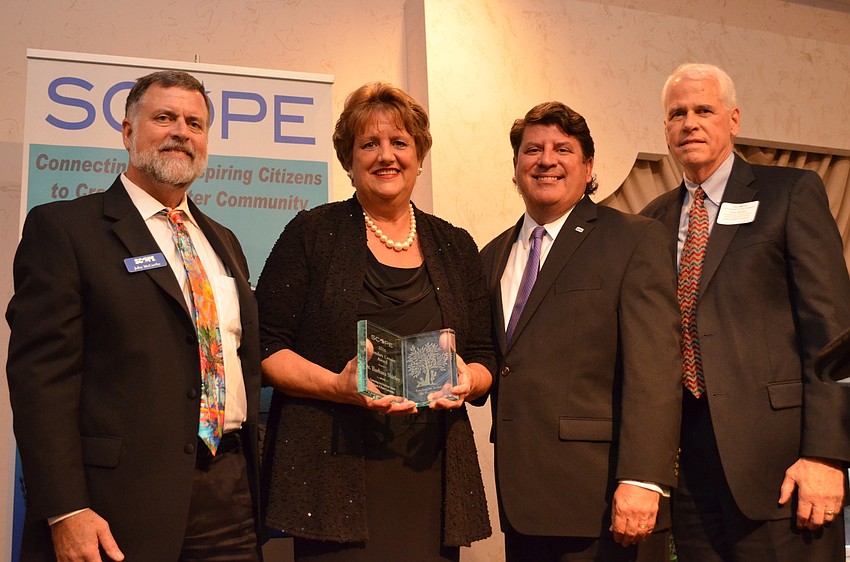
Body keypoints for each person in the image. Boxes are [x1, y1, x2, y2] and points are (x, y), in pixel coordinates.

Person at [6, 70, 263, 561]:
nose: (181, 132)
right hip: (119, 503)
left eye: (195, 123)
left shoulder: (223, 241)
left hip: (230, 495)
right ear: (127, 132)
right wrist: (65, 509)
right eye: (164, 117)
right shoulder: (65, 230)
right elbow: (41, 382)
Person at [255, 82, 494, 561]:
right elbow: (264, 348)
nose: (387, 156)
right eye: (370, 144)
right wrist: (336, 386)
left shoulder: (456, 244)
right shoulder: (311, 233)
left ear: (419, 154)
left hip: (430, 473)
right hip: (333, 474)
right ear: (349, 158)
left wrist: (469, 379)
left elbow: (486, 356)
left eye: (400, 142)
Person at [641, 63, 850, 561]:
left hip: (782, 468)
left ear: (733, 120)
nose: (689, 123)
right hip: (687, 470)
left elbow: (833, 335)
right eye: (677, 114)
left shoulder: (791, 193)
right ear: (666, 130)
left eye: (703, 110)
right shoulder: (650, 220)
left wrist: (826, 455)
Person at [480, 101, 682, 562]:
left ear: (588, 166)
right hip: (522, 503)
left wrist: (643, 479)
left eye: (562, 149)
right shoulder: (492, 254)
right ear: (516, 167)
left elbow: (654, 369)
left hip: (607, 505)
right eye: (532, 149)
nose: (546, 159)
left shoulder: (634, 239)